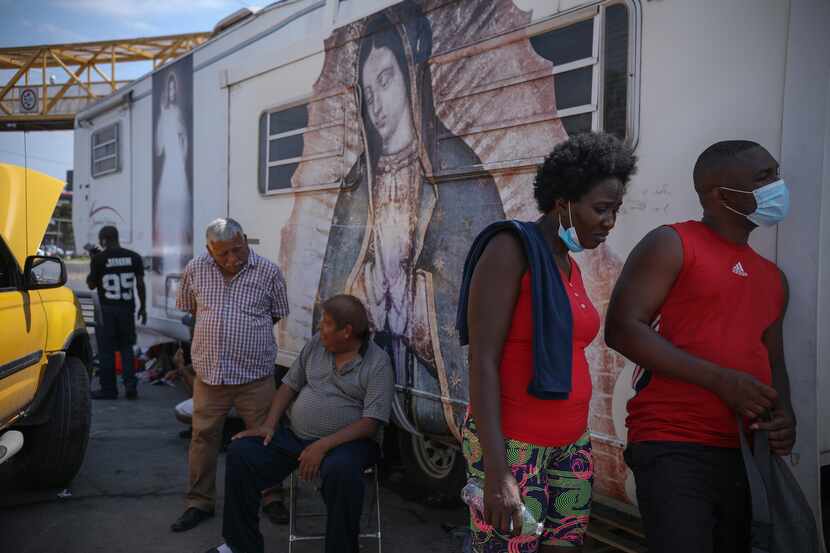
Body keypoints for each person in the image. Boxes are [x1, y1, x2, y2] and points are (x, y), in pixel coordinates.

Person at [316, 1, 505, 439]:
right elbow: (338, 278)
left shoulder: (458, 169)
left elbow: (471, 281)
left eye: (386, 79)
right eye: (368, 90)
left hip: (425, 367)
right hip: (370, 353)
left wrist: (420, 293)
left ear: (411, 76)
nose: (377, 104)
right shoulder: (358, 181)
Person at [605, 140, 796, 553]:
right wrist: (720, 381)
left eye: (776, 174)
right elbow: (622, 329)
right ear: (720, 195)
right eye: (764, 178)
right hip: (673, 444)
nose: (777, 186)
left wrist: (785, 416)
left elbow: (773, 359)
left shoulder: (772, 278)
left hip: (742, 451)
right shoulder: (673, 243)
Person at [456, 133, 637, 552]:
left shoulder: (566, 264)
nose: (610, 221)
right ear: (563, 201)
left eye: (616, 210)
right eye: (601, 209)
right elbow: (482, 359)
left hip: (571, 441)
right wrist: (498, 473)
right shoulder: (510, 249)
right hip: (514, 446)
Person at [203, 294, 394, 553]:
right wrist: (269, 425)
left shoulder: (378, 362)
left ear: (346, 331)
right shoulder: (317, 345)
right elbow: (289, 386)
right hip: (297, 437)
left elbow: (371, 422)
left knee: (341, 471)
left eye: (326, 323)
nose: (319, 329)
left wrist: (323, 446)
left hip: (349, 444)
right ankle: (240, 545)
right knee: (241, 453)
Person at [171, 217, 290, 532]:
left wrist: (245, 337)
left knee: (264, 437)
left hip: (255, 376)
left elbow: (276, 314)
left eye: (238, 250)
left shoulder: (269, 272)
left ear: (246, 239)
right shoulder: (195, 269)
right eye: (223, 254)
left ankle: (272, 496)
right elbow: (192, 310)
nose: (232, 259)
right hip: (210, 376)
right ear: (209, 250)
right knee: (202, 439)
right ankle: (199, 502)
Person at [87, 225, 146, 400]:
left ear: (104, 239)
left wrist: (93, 260)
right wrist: (143, 307)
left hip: (106, 311)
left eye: (101, 239)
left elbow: (91, 284)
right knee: (127, 348)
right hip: (127, 309)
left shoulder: (99, 259)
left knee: (106, 350)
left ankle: (109, 389)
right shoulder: (134, 257)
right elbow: (140, 284)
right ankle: (130, 386)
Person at [154, 70, 192, 308]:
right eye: (168, 89)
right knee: (168, 221)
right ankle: (169, 269)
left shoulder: (177, 113)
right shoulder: (164, 115)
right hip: (170, 168)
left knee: (179, 220)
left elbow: (185, 141)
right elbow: (159, 148)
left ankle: (177, 272)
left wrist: (181, 148)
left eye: (173, 88)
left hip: (177, 167)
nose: (171, 92)